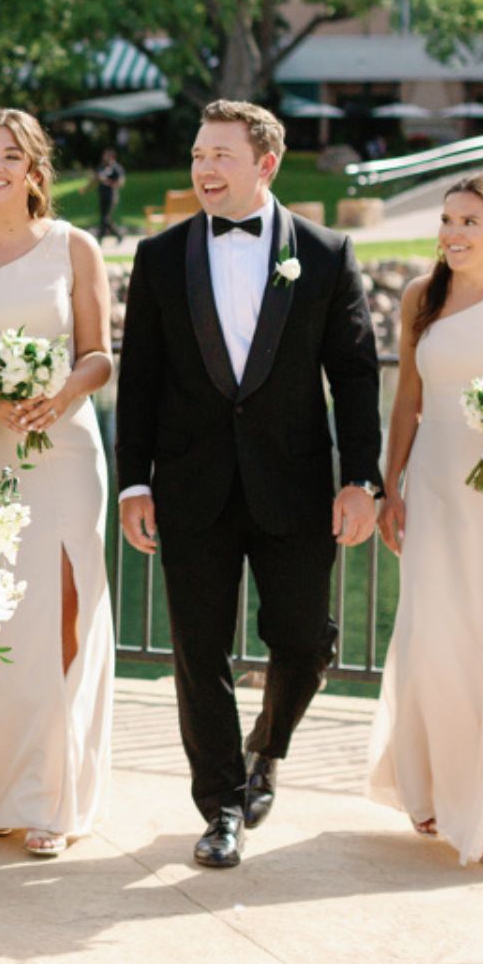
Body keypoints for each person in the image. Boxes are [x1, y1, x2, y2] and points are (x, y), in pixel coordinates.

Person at [116, 99, 382, 870]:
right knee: (199, 654)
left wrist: (362, 478)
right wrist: (135, 481)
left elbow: (357, 376)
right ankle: (222, 806)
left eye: (220, 156)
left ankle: (269, 747)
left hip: (295, 486)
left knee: (305, 639)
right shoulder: (161, 255)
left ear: (265, 165)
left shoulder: (326, 254)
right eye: (199, 154)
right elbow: (140, 383)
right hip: (190, 487)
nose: (203, 168)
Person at [0, 109, 116, 857]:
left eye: (12, 155)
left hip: (65, 447)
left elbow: (99, 354)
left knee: (64, 609)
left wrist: (63, 393)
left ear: (36, 168)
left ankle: (51, 793)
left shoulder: (76, 246)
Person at [368, 174, 483, 866]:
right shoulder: (422, 296)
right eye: (447, 219)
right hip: (437, 483)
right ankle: (443, 782)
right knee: (436, 637)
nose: (451, 233)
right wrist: (391, 487)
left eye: (468, 221)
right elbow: (408, 400)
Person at [93, 147, 125, 242]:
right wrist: (85, 189)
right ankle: (109, 236)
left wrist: (106, 181)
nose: (104, 157)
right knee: (104, 218)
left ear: (112, 156)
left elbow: (120, 183)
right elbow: (95, 179)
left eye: (106, 155)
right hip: (102, 196)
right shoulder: (101, 167)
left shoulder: (117, 168)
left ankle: (105, 237)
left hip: (111, 197)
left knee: (105, 218)